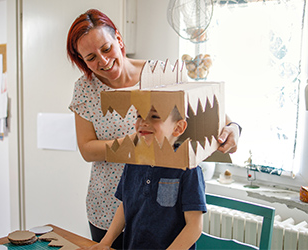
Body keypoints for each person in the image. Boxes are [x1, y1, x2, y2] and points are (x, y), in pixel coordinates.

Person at [66, 8, 240, 249]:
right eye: (91, 57)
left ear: (118, 39)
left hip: (163, 213)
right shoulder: (85, 89)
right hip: (108, 207)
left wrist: (233, 127)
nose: (103, 61)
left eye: (106, 49)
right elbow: (87, 149)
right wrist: (136, 145)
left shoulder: (161, 75)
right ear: (81, 60)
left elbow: (206, 110)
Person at [85, 106, 206, 250]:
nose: (143, 122)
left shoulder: (188, 169)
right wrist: (105, 242)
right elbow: (125, 205)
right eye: (138, 116)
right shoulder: (133, 161)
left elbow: (194, 227)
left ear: (178, 127)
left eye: (154, 117)